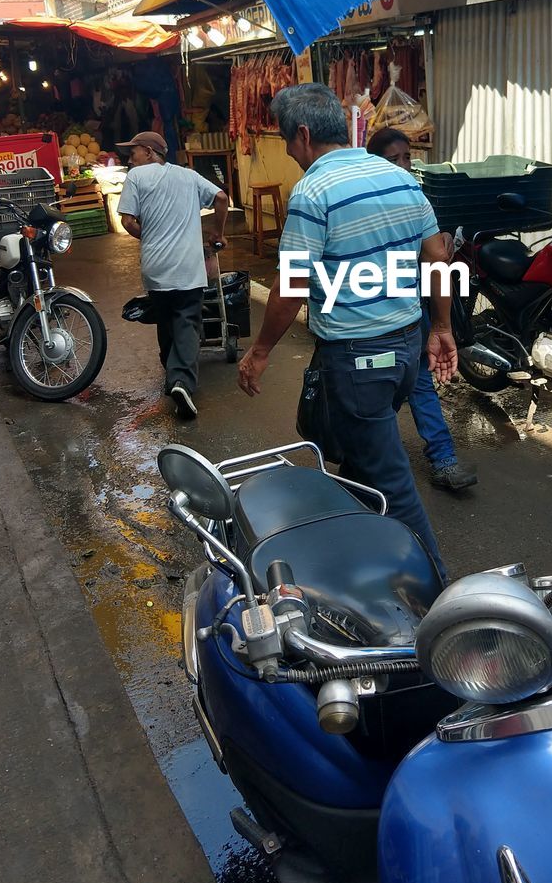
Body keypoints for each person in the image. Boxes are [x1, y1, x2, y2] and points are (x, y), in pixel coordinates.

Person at [237, 84, 456, 578]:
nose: (290, 154)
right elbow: (438, 257)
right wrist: (440, 325)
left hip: (361, 359)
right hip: (403, 351)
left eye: (286, 142)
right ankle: (365, 562)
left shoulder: (314, 192)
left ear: (305, 134)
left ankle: (442, 601)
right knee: (361, 462)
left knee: (392, 483)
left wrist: (260, 350)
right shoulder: (398, 176)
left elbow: (291, 284)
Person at [367, 127, 477, 491]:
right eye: (392, 159)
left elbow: (435, 251)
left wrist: (441, 241)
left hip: (411, 309)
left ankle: (444, 459)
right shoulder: (366, 203)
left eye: (406, 157)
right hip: (372, 314)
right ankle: (369, 467)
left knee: (420, 383)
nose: (402, 164)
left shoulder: (417, 196)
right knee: (379, 390)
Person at [117, 130, 228, 419]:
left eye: (134, 153)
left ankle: (171, 371)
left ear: (150, 153)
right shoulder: (188, 176)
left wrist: (149, 236)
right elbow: (221, 197)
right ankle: (181, 381)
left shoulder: (136, 178)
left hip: (156, 267)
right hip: (188, 268)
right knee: (187, 322)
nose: (130, 160)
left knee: (166, 318)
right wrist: (218, 233)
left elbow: (128, 221)